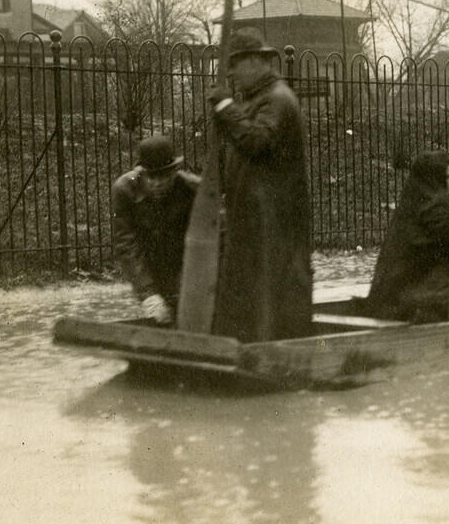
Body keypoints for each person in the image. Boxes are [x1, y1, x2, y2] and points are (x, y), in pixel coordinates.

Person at [205, 27, 313, 341]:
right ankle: (245, 343)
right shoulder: (257, 100)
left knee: (268, 287)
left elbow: (256, 142)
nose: (231, 75)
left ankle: (269, 350)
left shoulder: (278, 99)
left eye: (234, 66)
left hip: (273, 218)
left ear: (254, 61)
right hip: (254, 214)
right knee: (248, 286)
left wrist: (226, 109)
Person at [110, 134, 200, 325]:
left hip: (185, 264)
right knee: (158, 318)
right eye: (152, 176)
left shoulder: (192, 189)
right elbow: (127, 246)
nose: (158, 182)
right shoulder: (124, 191)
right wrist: (148, 294)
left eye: (165, 175)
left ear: (175, 171)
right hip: (150, 265)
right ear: (141, 171)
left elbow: (207, 240)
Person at [366, 151, 449, 320]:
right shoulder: (436, 207)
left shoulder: (412, 201)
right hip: (410, 300)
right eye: (448, 177)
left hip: (387, 296)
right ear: (435, 178)